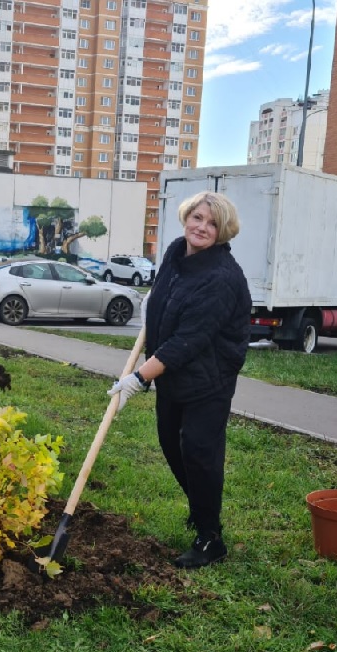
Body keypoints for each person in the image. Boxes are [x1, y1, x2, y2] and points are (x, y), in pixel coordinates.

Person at [107, 191, 251, 570]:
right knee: (172, 446)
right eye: (198, 217)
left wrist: (138, 378)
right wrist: (151, 306)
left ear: (223, 232)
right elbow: (164, 295)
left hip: (210, 377)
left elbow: (188, 341)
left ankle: (210, 538)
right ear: (187, 217)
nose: (202, 227)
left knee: (199, 452)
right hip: (174, 375)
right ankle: (203, 510)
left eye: (212, 223)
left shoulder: (222, 278)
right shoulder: (174, 252)